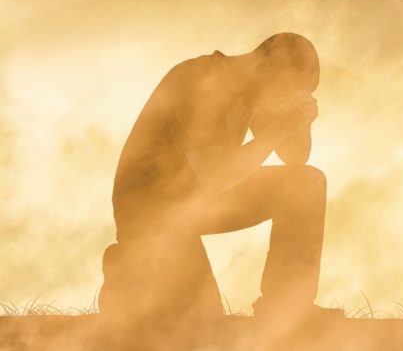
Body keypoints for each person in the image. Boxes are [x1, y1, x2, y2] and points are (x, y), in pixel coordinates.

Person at [100, 32, 341, 324]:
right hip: (150, 210)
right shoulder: (203, 81)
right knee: (200, 323)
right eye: (289, 89)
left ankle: (288, 309)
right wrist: (279, 127)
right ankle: (130, 268)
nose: (286, 99)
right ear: (272, 68)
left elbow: (296, 159)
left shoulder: (252, 91)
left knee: (305, 184)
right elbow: (216, 177)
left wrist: (298, 121)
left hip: (192, 202)